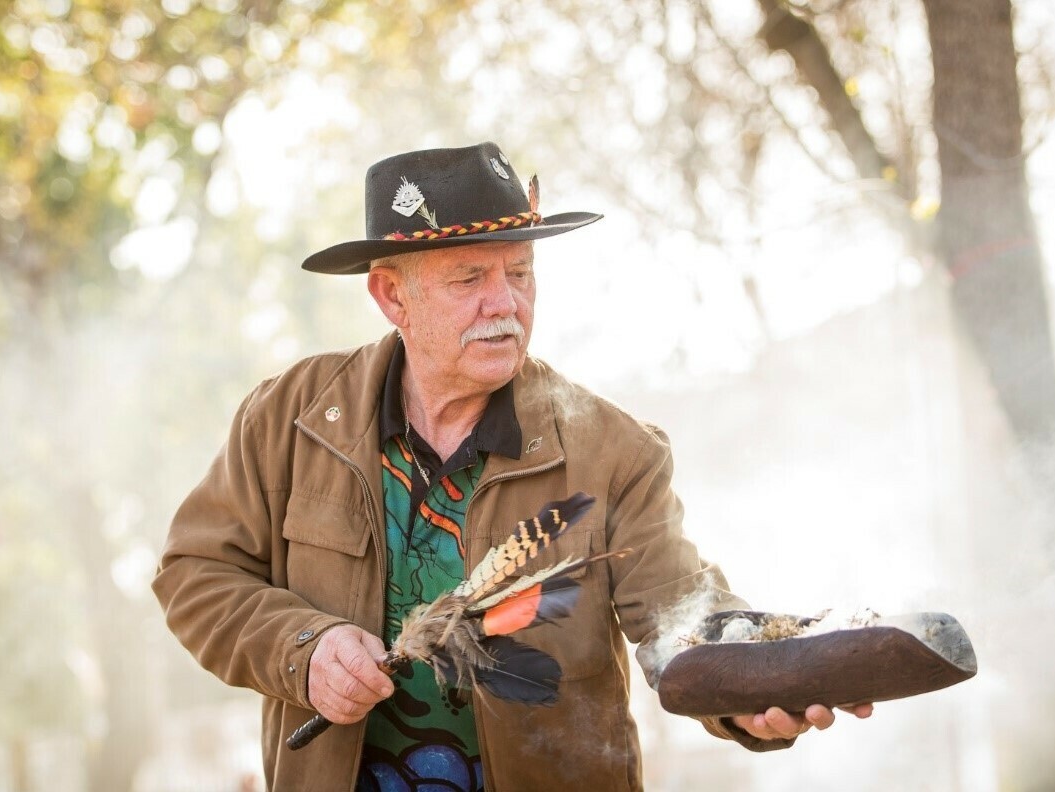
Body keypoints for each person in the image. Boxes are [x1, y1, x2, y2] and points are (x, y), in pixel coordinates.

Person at [152, 142, 872, 791]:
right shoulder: (290, 418)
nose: (506, 304)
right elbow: (195, 573)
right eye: (469, 278)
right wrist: (302, 650)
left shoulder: (616, 451)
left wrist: (753, 691)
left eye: (520, 273)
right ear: (392, 294)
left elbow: (682, 617)